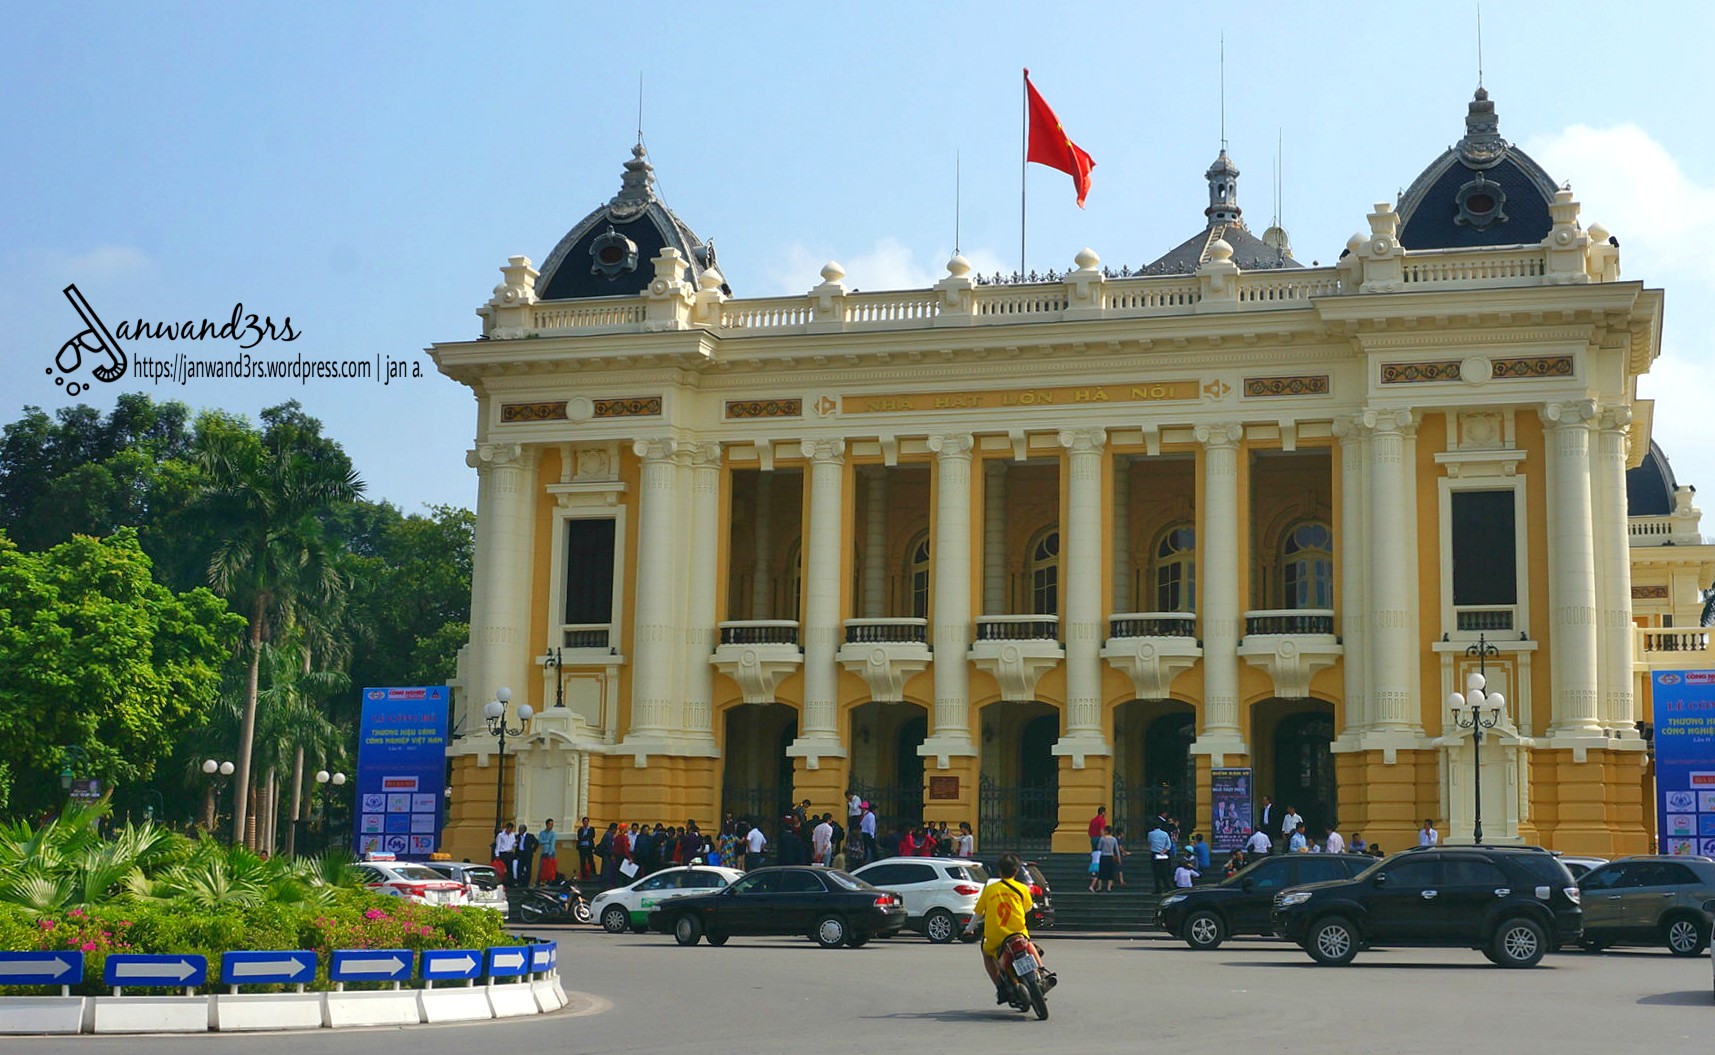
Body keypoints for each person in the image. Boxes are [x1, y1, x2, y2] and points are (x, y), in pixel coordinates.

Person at [966, 852, 1037, 1006]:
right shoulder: (1022, 888)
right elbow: (1028, 908)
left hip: (996, 937)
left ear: (999, 871)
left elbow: (978, 913)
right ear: (1016, 871)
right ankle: (1042, 971)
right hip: (1017, 933)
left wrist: (969, 929)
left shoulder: (990, 889)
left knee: (987, 955)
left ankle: (1000, 987)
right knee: (1029, 944)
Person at [1146, 822, 1174, 893]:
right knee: (1165, 872)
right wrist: (1164, 851)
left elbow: (1149, 842)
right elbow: (1169, 844)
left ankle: (1158, 889)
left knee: (1156, 872)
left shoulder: (1150, 834)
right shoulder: (1164, 834)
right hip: (1163, 854)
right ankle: (1167, 887)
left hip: (1155, 854)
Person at [1095, 826, 1120, 892]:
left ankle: (1099, 887)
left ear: (1106, 831)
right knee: (1110, 872)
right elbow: (1117, 849)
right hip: (1111, 857)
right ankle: (1109, 888)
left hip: (1103, 857)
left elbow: (1099, 847)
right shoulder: (1114, 839)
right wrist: (1119, 858)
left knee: (1101, 872)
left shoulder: (1102, 839)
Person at [538, 819, 559, 883]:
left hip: (550, 853)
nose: (551, 826)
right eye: (550, 824)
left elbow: (552, 844)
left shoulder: (553, 833)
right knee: (542, 867)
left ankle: (550, 882)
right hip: (543, 852)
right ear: (546, 825)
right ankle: (540, 881)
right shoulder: (542, 833)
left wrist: (550, 854)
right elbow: (540, 841)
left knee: (550, 868)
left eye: (552, 824)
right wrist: (547, 841)